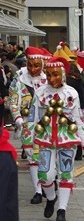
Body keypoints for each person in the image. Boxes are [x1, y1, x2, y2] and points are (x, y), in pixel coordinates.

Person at [32, 57, 84, 221]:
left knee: (66, 174)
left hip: (67, 139)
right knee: (45, 174)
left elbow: (78, 119)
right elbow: (33, 118)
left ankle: (62, 209)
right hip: (45, 139)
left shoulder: (71, 93)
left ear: (62, 75)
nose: (52, 79)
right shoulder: (40, 93)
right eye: (49, 75)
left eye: (56, 75)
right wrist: (29, 140)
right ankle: (51, 198)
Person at [7, 46, 49, 204]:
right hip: (27, 124)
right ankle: (38, 190)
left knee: (46, 155)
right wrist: (18, 119)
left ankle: (47, 183)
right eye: (30, 64)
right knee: (32, 156)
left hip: (46, 124)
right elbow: (13, 100)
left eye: (36, 65)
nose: (33, 69)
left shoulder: (48, 78)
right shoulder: (19, 78)